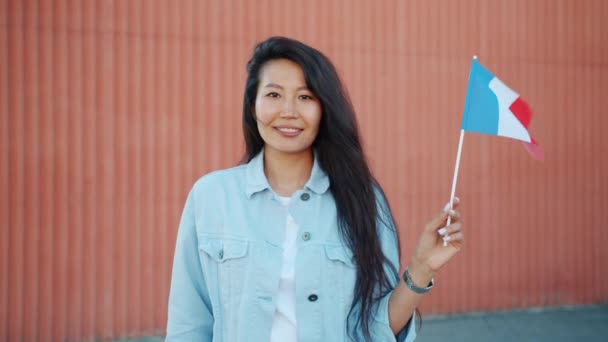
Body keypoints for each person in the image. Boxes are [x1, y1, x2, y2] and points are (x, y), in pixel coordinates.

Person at [166, 36, 464, 342]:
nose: (289, 111)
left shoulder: (363, 199)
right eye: (273, 94)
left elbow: (375, 330)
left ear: (324, 109)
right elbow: (187, 325)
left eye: (305, 97)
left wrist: (422, 267)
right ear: (252, 105)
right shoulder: (212, 196)